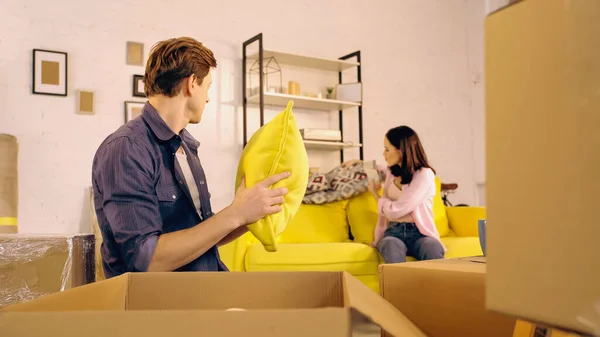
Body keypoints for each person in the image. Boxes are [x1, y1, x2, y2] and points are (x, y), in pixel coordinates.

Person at [91, 37, 289, 278]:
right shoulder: (126, 149)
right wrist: (235, 214)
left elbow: (199, 235)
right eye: (208, 87)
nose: (207, 98)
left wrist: (248, 215)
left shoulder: (186, 146)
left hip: (205, 290)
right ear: (192, 83)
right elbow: (145, 259)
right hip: (158, 306)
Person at [345, 126, 445, 263]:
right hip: (393, 232)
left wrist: (375, 194)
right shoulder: (392, 172)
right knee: (391, 245)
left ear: (402, 150)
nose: (383, 154)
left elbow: (396, 210)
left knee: (431, 246)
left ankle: (438, 284)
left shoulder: (424, 175)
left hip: (420, 233)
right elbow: (376, 169)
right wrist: (358, 162)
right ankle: (398, 284)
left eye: (387, 149)